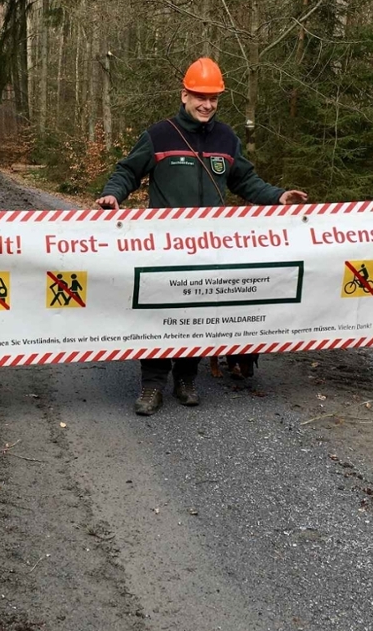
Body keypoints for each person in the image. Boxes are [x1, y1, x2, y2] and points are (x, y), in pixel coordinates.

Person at [94, 57, 307, 416]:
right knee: (160, 314)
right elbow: (128, 171)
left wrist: (279, 196)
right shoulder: (159, 135)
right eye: (199, 96)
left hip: (209, 248)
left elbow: (246, 181)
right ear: (184, 95)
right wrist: (113, 193)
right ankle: (152, 386)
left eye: (213, 98)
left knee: (196, 313)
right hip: (164, 247)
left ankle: (186, 379)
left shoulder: (227, 139)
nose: (206, 104)